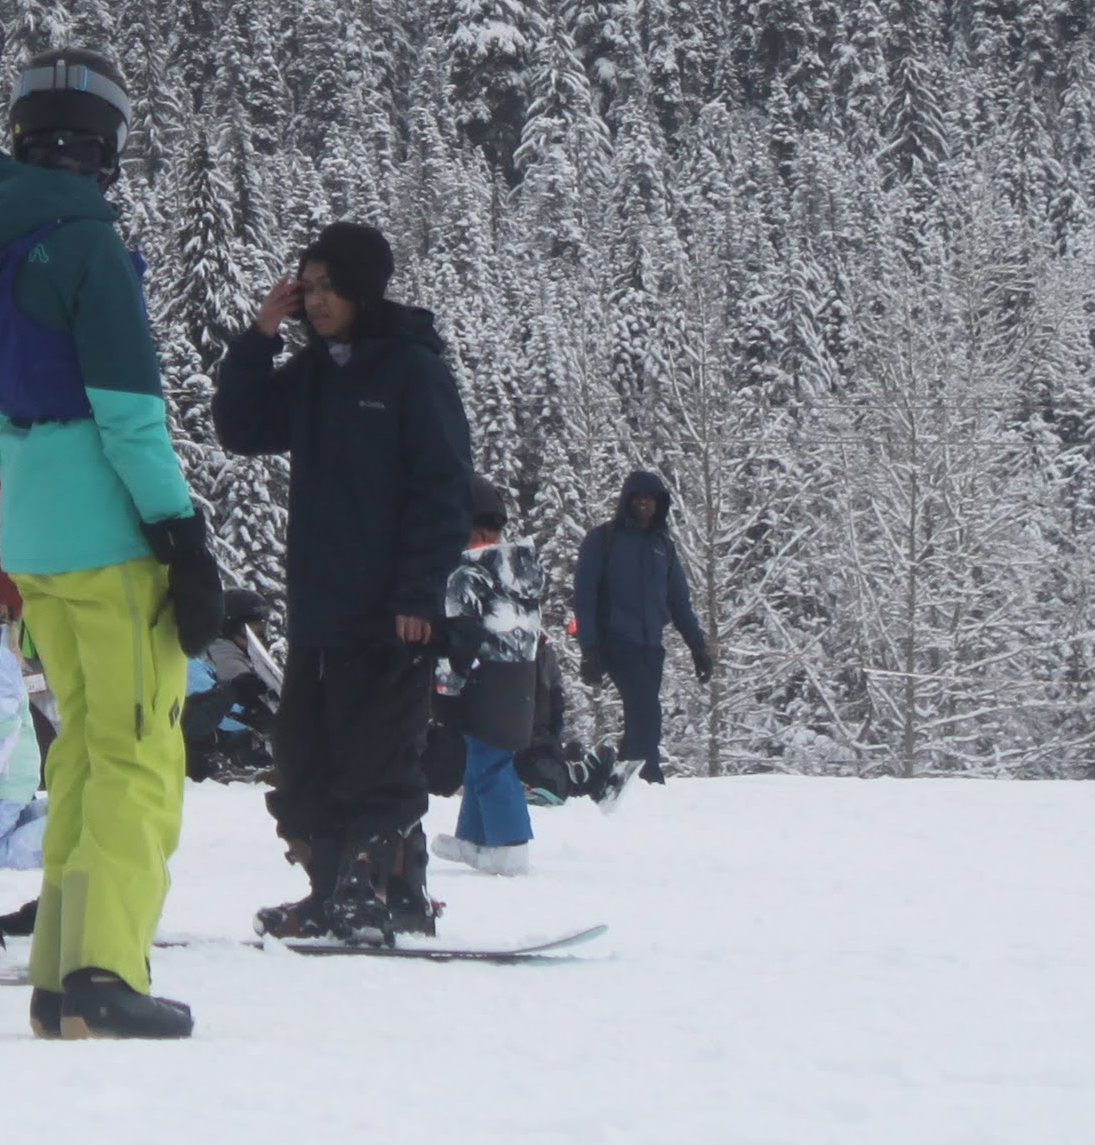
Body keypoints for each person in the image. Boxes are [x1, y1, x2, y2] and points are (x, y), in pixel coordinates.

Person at [0, 45, 225, 1041]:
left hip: (35, 541)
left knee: (79, 755)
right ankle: (104, 972)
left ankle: (61, 977)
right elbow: (130, 417)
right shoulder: (90, 250)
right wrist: (182, 535)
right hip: (109, 539)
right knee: (140, 751)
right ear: (105, 147)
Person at [209, 220, 474, 945]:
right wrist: (261, 335)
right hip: (322, 610)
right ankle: (333, 890)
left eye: (329, 287)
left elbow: (444, 487)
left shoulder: (412, 370)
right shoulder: (316, 374)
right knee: (303, 759)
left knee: (378, 760)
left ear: (363, 288)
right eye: (309, 286)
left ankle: (377, 890)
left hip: (391, 614)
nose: (317, 301)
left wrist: (421, 594)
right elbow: (243, 426)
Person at [571, 467, 715, 783]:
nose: (643, 504)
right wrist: (589, 647)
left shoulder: (665, 546)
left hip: (652, 647)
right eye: (636, 498)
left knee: (642, 715)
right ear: (626, 501)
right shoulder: (603, 539)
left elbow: (679, 602)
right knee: (647, 711)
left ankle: (620, 784)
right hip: (616, 641)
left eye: (650, 499)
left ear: (660, 504)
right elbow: (584, 596)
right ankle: (648, 779)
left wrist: (698, 648)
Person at [433, 484, 547, 875]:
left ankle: (510, 844)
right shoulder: (521, 570)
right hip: (519, 675)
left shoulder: (466, 573)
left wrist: (446, 683)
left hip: (483, 678)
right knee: (484, 758)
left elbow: (462, 635)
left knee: (490, 763)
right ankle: (473, 836)